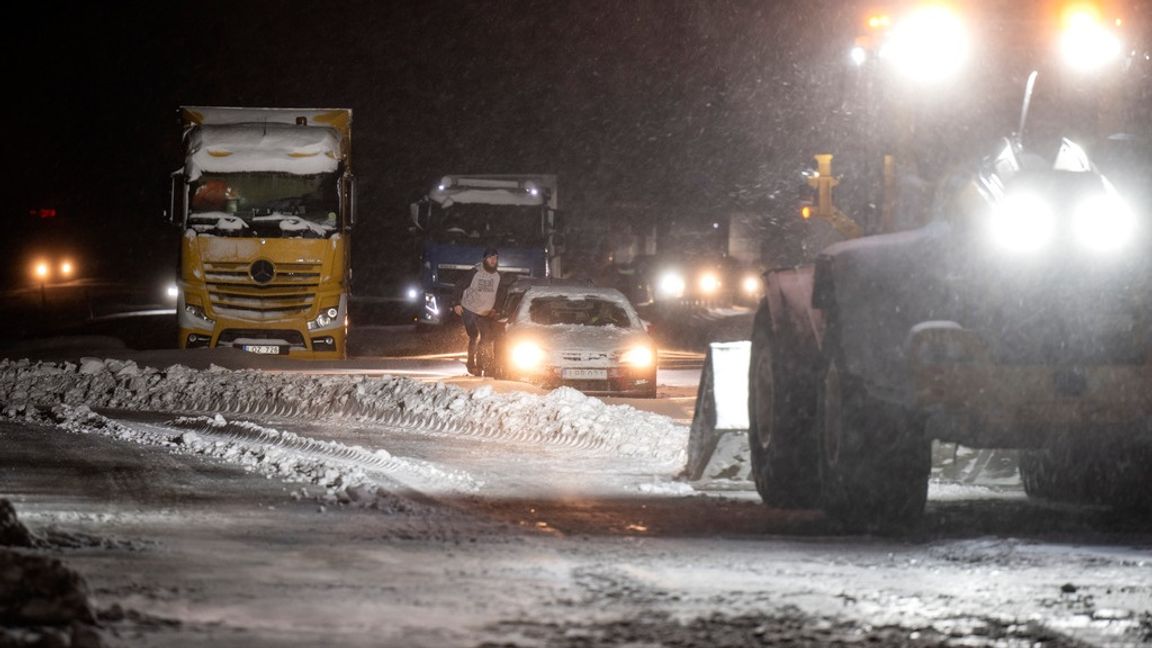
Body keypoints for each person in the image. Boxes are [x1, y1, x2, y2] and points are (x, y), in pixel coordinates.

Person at [451, 247, 509, 376]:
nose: (493, 261)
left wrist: (496, 309)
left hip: (485, 312)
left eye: (495, 258)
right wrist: (456, 303)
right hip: (469, 310)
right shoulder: (475, 272)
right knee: (475, 335)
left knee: (487, 338)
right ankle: (472, 364)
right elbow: (459, 285)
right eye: (490, 258)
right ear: (484, 259)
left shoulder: (498, 276)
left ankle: (483, 364)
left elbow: (502, 293)